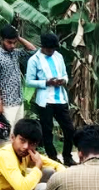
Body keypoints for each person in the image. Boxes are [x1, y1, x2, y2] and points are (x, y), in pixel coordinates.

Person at [26, 32, 76, 166]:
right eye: (49, 49)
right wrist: (46, 82)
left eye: (53, 49)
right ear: (42, 47)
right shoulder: (34, 60)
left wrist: (63, 81)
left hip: (60, 99)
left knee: (69, 129)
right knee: (47, 131)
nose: (51, 51)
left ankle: (67, 156)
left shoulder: (58, 56)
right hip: (45, 101)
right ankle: (53, 158)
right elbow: (29, 81)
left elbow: (65, 74)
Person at [0, 24, 37, 145]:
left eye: (14, 42)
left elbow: (33, 50)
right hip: (6, 103)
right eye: (9, 42)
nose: (12, 45)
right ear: (1, 39)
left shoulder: (15, 53)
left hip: (18, 101)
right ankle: (2, 163)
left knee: (18, 136)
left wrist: (18, 37)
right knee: (4, 138)